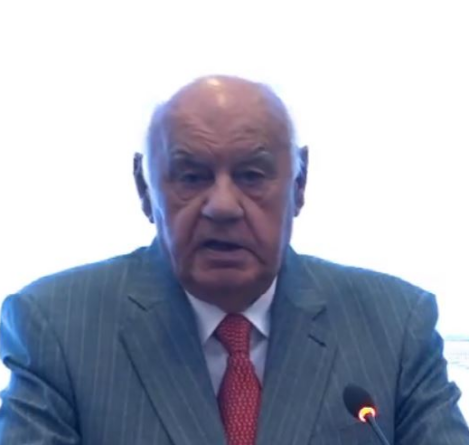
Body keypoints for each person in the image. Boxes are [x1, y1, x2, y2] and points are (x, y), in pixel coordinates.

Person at [0, 75, 468, 445]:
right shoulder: (58, 326)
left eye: (252, 175)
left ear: (299, 184)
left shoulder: (394, 323)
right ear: (144, 189)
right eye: (191, 176)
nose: (222, 206)